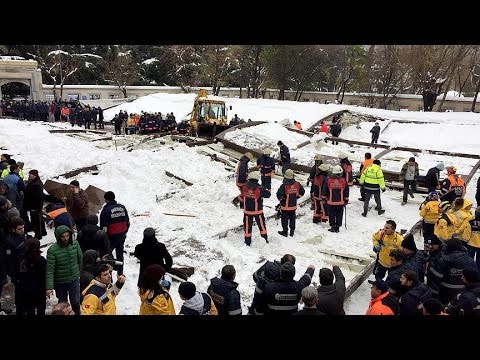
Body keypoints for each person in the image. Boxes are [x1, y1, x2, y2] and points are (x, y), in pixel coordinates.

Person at [46, 225, 83, 315]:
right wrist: (49, 287)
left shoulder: (75, 244)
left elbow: (80, 259)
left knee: (75, 302)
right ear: (58, 237)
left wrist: (78, 272)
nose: (66, 238)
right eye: (63, 236)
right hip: (60, 282)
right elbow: (50, 270)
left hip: (73, 279)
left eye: (67, 235)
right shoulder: (52, 250)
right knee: (63, 305)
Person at [100, 191, 129, 275]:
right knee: (120, 255)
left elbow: (104, 227)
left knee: (107, 255)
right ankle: (120, 273)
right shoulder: (122, 207)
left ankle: (107, 273)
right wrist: (124, 232)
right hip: (121, 235)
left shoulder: (106, 211)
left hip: (111, 237)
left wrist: (104, 238)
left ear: (106, 200)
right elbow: (127, 222)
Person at [238, 171, 270, 246]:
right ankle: (264, 239)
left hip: (247, 212)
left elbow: (242, 196)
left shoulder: (244, 187)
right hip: (258, 212)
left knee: (247, 227)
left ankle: (247, 242)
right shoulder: (259, 189)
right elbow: (268, 195)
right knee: (262, 226)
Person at [16, 237, 46, 315]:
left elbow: (20, 274)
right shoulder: (42, 260)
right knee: (41, 309)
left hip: (27, 289)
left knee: (29, 310)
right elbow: (45, 275)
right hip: (40, 289)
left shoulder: (22, 259)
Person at [276, 169, 305, 237]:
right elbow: (302, 191)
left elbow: (279, 195)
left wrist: (282, 201)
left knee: (284, 219)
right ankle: (292, 231)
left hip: (285, 207)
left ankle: (285, 231)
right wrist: (296, 197)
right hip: (293, 206)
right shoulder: (297, 184)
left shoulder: (283, 186)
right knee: (292, 218)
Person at [322, 165, 349, 232]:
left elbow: (324, 190)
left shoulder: (328, 180)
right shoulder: (344, 180)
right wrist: (346, 199)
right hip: (341, 202)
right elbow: (346, 191)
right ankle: (337, 227)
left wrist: (324, 198)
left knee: (331, 214)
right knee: (339, 214)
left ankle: (332, 226)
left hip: (330, 202)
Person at [22, 169, 46, 239]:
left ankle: (38, 235)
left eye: (30, 174)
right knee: (39, 219)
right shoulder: (35, 182)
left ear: (34, 175)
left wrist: (35, 208)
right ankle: (43, 231)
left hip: (35, 206)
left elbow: (38, 198)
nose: (29, 176)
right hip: (35, 206)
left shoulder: (36, 185)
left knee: (36, 221)